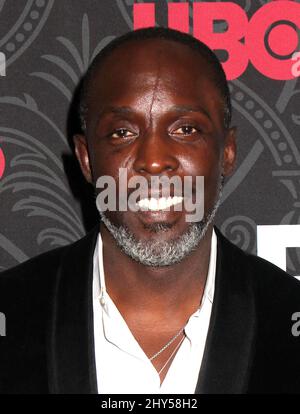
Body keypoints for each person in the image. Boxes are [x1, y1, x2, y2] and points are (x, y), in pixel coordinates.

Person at [0, 27, 299, 395]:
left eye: (185, 129)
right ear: (86, 159)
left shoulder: (287, 319)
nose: (154, 162)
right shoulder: (11, 314)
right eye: (122, 133)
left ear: (227, 152)